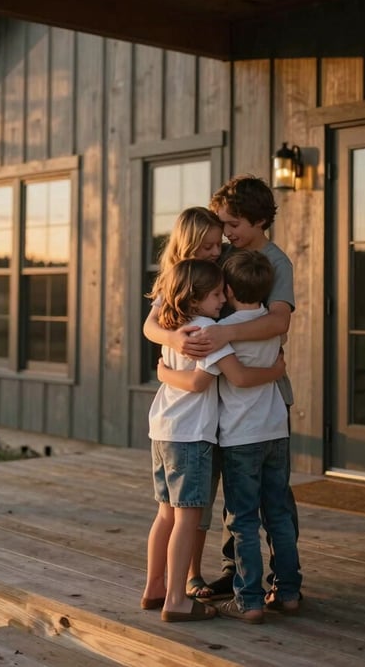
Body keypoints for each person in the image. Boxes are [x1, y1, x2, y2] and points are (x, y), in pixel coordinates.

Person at [160, 250, 302, 623]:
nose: (220, 299)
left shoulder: (218, 331)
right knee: (279, 514)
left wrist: (162, 372)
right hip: (276, 432)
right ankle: (288, 593)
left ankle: (250, 600)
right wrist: (275, 370)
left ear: (229, 290)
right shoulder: (271, 326)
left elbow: (233, 378)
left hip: (240, 437)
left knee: (242, 519)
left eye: (222, 292)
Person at [143, 206, 224, 600]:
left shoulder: (178, 305)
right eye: (207, 245)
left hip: (162, 426)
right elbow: (198, 380)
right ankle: (176, 597)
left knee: (166, 514)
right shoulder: (204, 325)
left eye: (218, 244)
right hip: (190, 432)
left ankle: (155, 587)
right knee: (189, 516)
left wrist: (162, 372)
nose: (215, 250)